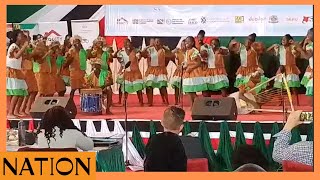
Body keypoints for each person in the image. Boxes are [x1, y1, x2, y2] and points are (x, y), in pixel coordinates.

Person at [144, 106, 187, 171]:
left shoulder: (153, 139)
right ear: (181, 127)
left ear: (161, 122)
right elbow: (181, 168)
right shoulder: (178, 142)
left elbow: (147, 164)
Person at [267, 34, 301, 105]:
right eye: (282, 39)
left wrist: (294, 44)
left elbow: (298, 50)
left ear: (289, 41)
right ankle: (281, 101)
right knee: (279, 87)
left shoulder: (292, 47)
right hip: (282, 68)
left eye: (285, 39)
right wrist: (273, 46)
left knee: (293, 87)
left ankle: (297, 102)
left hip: (291, 68)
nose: (283, 41)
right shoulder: (280, 48)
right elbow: (268, 51)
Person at [87, 37, 114, 113]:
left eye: (101, 43)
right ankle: (95, 107)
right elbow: (89, 58)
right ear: (95, 44)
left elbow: (111, 60)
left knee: (108, 88)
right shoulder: (93, 53)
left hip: (105, 71)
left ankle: (108, 108)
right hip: (96, 71)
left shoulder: (106, 53)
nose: (100, 44)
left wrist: (111, 53)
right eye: (98, 43)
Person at [6, 30, 29, 118]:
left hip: (18, 71)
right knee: (16, 92)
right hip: (12, 72)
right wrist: (24, 46)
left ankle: (16, 111)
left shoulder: (19, 46)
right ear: (16, 37)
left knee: (22, 92)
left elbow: (23, 57)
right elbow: (16, 56)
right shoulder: (13, 46)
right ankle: (10, 113)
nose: (22, 37)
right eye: (21, 36)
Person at [116, 39, 144, 106]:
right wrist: (121, 69)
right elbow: (120, 61)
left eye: (129, 44)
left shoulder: (136, 52)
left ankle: (141, 102)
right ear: (124, 45)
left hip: (136, 72)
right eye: (126, 44)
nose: (128, 45)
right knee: (125, 88)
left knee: (138, 87)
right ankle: (123, 102)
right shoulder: (121, 53)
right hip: (127, 72)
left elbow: (140, 57)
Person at [143, 38, 169, 106]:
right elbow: (142, 53)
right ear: (153, 42)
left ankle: (166, 101)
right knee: (149, 85)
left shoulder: (163, 50)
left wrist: (163, 47)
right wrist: (148, 46)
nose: (157, 42)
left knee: (162, 86)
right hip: (152, 69)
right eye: (156, 41)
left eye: (158, 41)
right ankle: (150, 102)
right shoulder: (150, 50)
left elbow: (170, 54)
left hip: (160, 70)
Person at [183, 36, 208, 108]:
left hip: (194, 73)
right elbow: (188, 62)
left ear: (192, 43)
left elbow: (198, 63)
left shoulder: (194, 51)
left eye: (188, 42)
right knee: (189, 91)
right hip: (188, 73)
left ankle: (198, 106)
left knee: (191, 91)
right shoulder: (187, 51)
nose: (186, 43)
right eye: (186, 42)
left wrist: (190, 68)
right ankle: (193, 106)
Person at [64, 35, 87, 101]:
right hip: (74, 72)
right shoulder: (71, 50)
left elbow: (86, 58)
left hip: (81, 71)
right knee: (73, 89)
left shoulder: (82, 51)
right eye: (75, 42)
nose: (77, 43)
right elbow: (68, 61)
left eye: (78, 42)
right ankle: (70, 102)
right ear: (73, 42)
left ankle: (83, 102)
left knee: (81, 88)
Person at [20, 33, 38, 116]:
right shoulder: (20, 48)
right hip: (25, 71)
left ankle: (28, 108)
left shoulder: (28, 47)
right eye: (27, 38)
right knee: (28, 92)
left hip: (30, 71)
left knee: (34, 91)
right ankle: (22, 109)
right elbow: (25, 57)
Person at [298, 28, 313, 104]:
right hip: (311, 69)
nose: (307, 35)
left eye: (308, 34)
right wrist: (303, 45)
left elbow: (306, 56)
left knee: (311, 89)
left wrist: (299, 47)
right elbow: (303, 56)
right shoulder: (310, 45)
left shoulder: (312, 45)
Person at [170, 40, 186, 105]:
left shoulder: (189, 52)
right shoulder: (178, 52)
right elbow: (170, 54)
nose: (183, 46)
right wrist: (174, 50)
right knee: (177, 86)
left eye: (184, 45)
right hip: (179, 71)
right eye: (182, 45)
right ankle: (177, 101)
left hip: (187, 71)